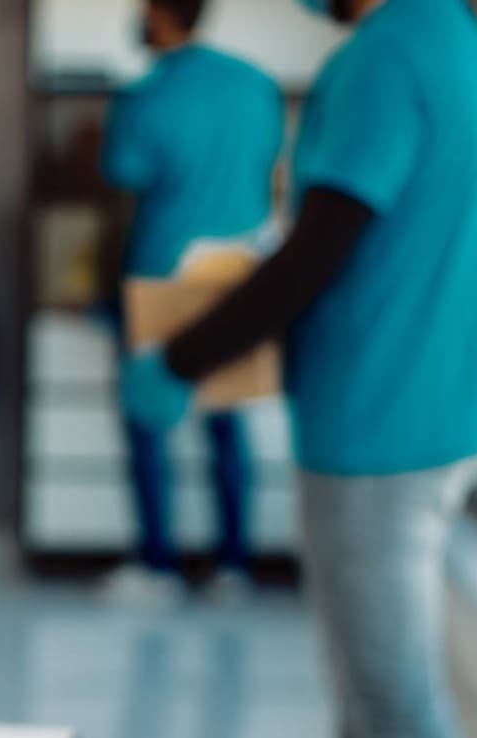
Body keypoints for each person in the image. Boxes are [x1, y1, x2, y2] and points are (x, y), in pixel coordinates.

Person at [122, 0, 477, 734]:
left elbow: (316, 254)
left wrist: (179, 359)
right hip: (451, 414)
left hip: (375, 428)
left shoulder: (383, 58)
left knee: (391, 707)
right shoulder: (459, 37)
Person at [101, 0, 284, 603]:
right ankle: (234, 566)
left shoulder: (144, 97)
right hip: (237, 274)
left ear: (158, 14)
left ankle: (159, 566)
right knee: (226, 419)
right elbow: (274, 175)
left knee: (150, 419)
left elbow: (121, 195)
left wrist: (103, 294)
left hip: (161, 272)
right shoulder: (257, 87)